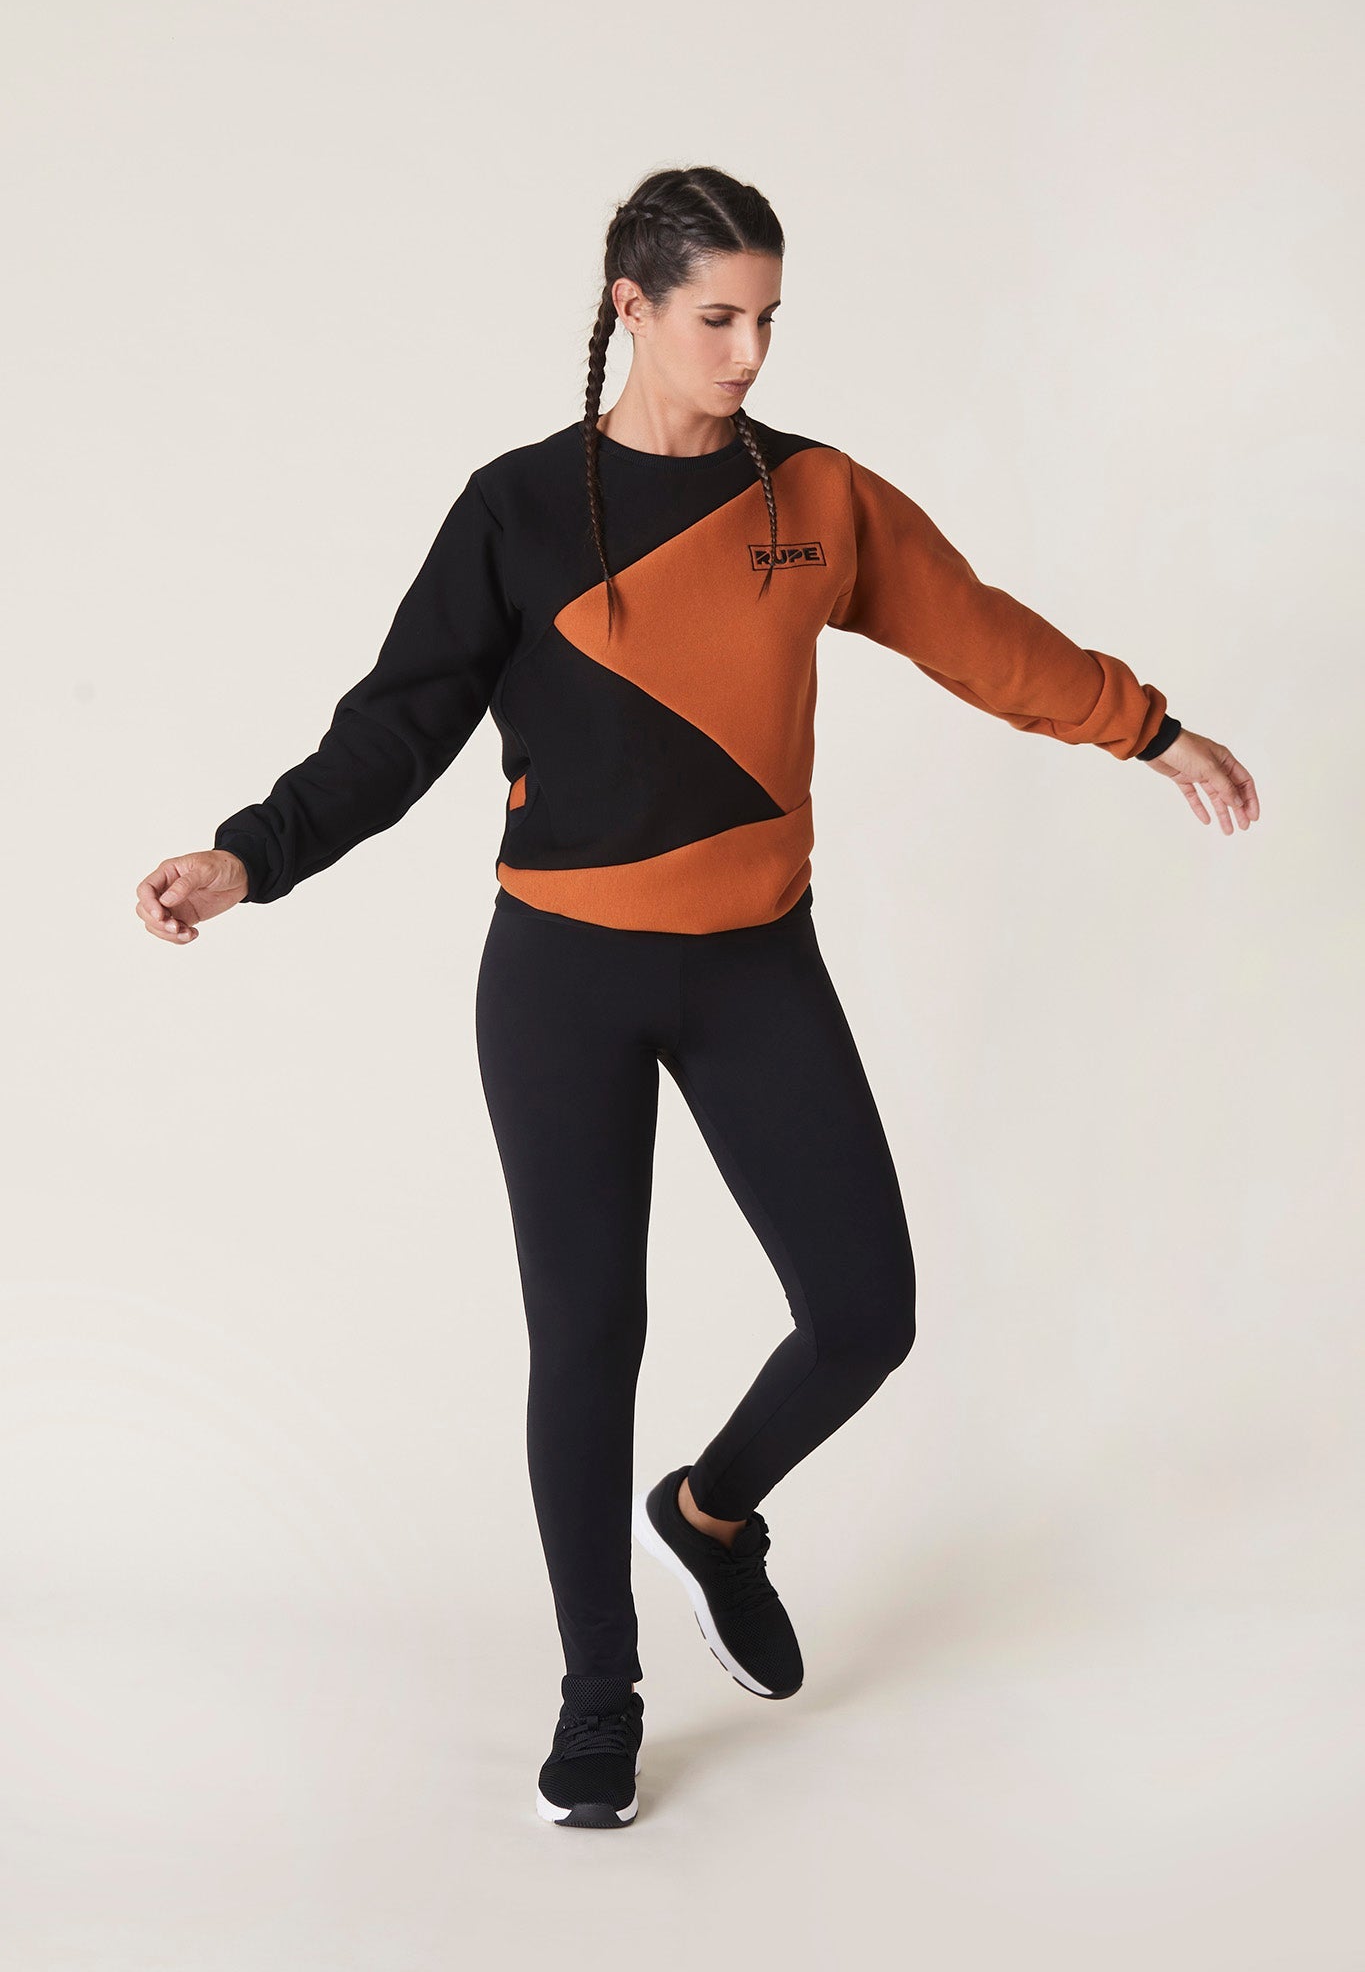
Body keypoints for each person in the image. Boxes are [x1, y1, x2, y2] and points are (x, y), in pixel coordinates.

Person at [135, 164, 1259, 1831]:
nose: (748, 353)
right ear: (631, 308)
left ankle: (712, 1513)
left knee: (864, 1312)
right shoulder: (516, 508)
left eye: (768, 320)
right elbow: (398, 725)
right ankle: (599, 1696)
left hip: (753, 964)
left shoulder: (815, 497)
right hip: (561, 978)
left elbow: (977, 636)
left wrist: (1144, 728)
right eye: (717, 318)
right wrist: (251, 854)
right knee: (590, 1336)